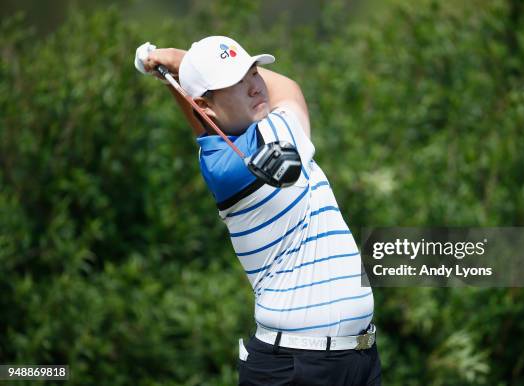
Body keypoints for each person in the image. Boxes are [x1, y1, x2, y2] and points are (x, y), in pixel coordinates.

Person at [135, 36, 381, 386]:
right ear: (204, 105)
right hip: (295, 368)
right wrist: (179, 59)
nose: (254, 87)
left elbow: (211, 122)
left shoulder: (230, 146)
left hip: (358, 359)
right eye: (235, 82)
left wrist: (183, 69)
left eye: (252, 72)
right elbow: (290, 90)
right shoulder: (239, 161)